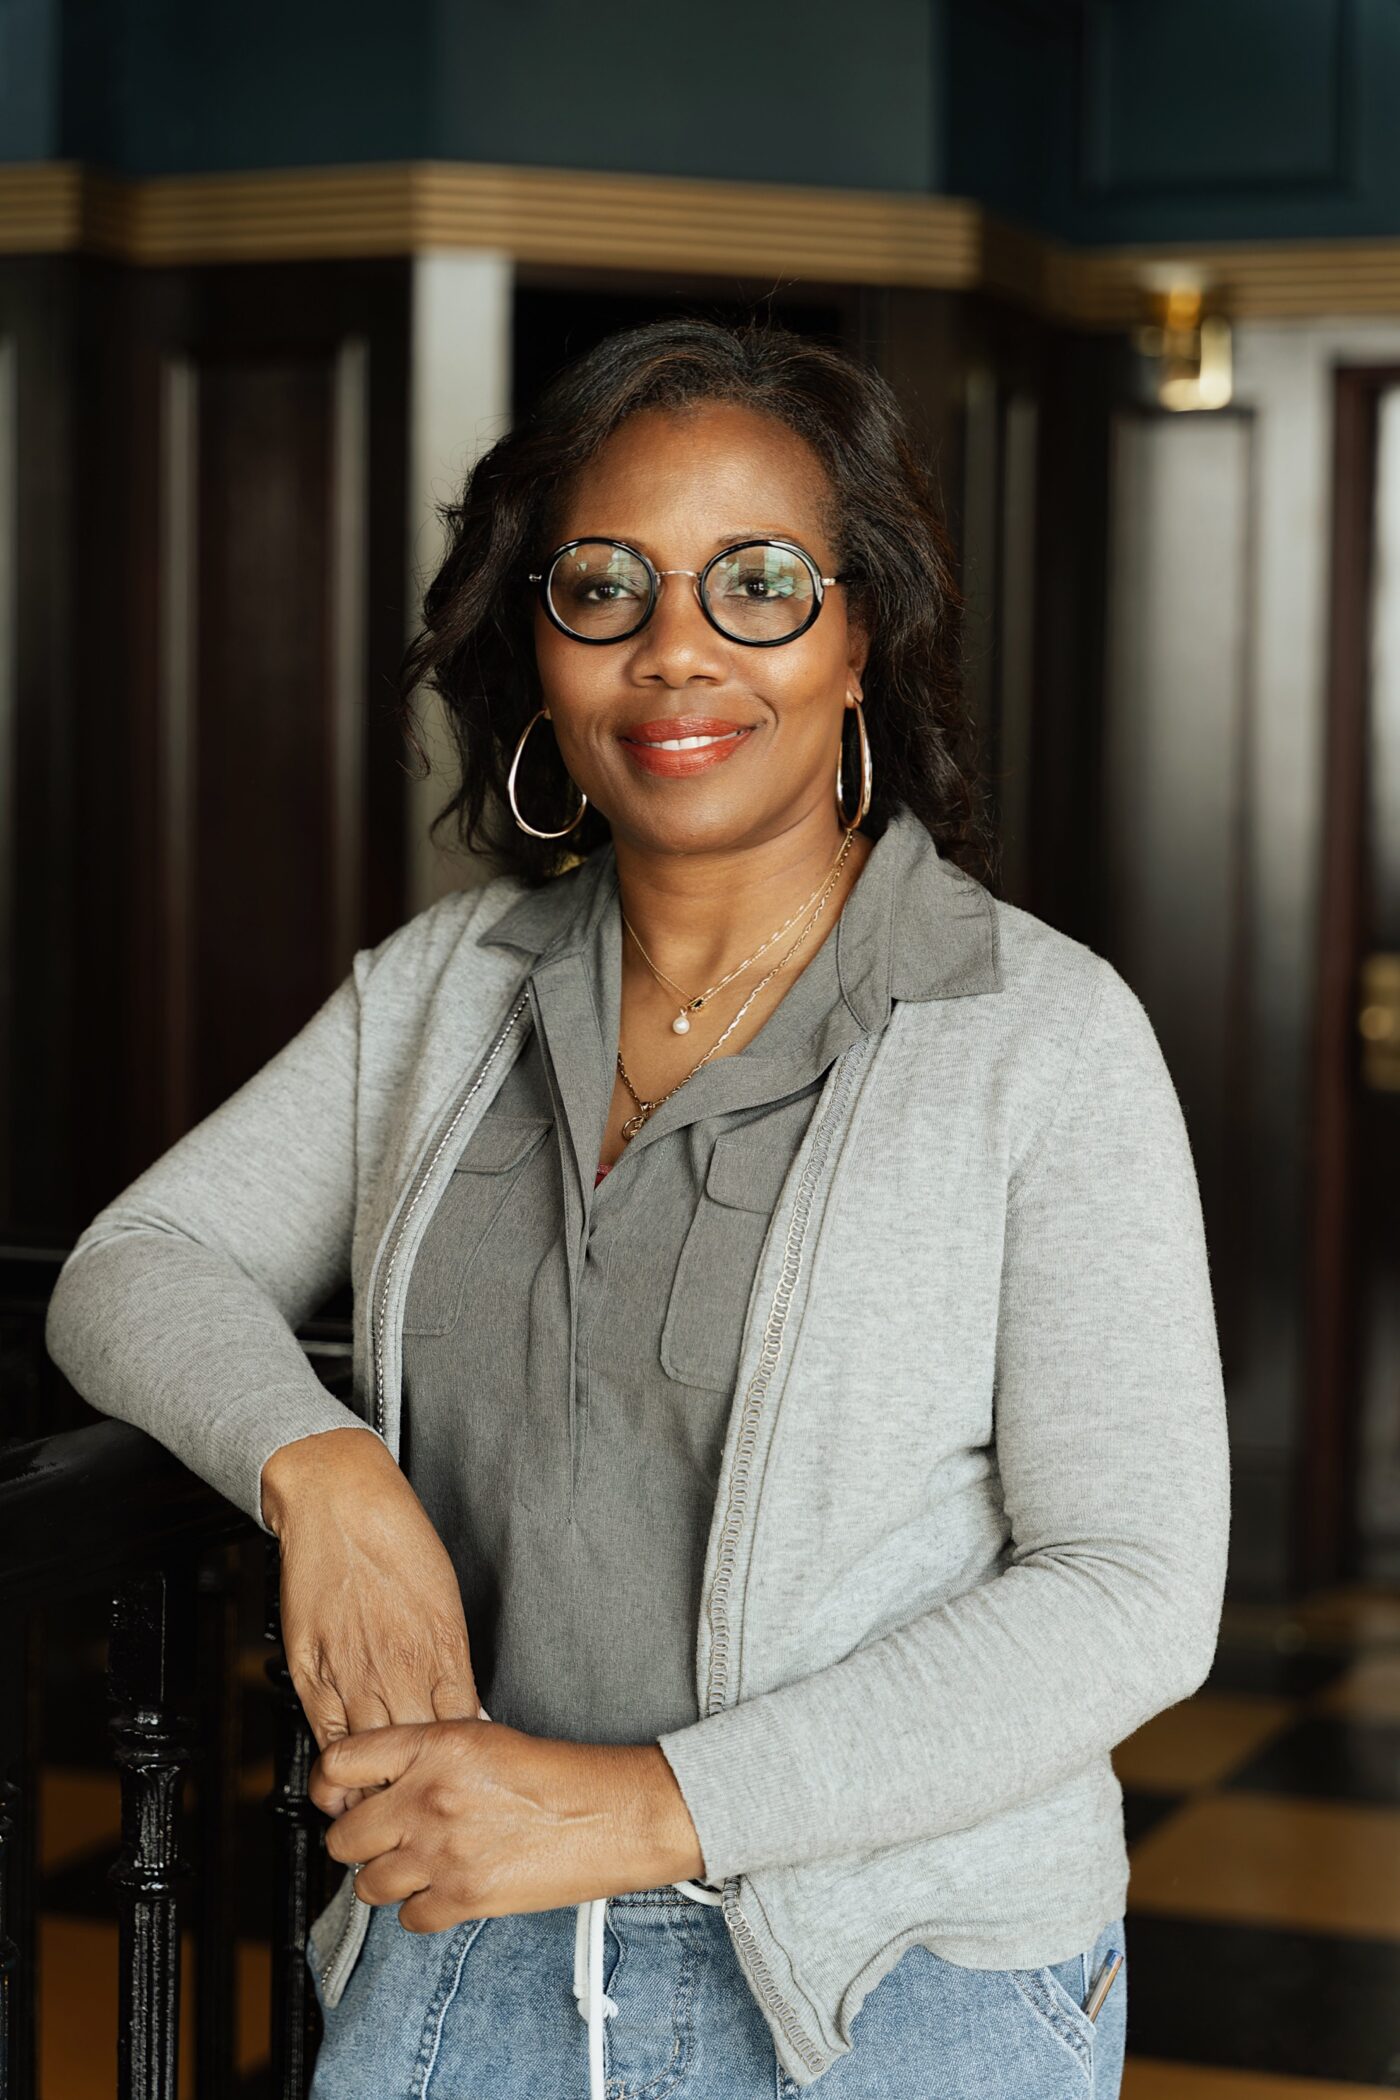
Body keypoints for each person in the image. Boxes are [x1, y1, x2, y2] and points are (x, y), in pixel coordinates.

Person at [45, 317, 1230, 2099]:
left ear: (861, 636)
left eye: (759, 583)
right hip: (457, 1942)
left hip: (894, 1983)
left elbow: (1133, 1591)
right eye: (602, 587)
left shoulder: (1041, 1041)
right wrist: (322, 1467)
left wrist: (643, 1810)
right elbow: (133, 1264)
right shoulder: (444, 990)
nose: (677, 652)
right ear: (537, 644)